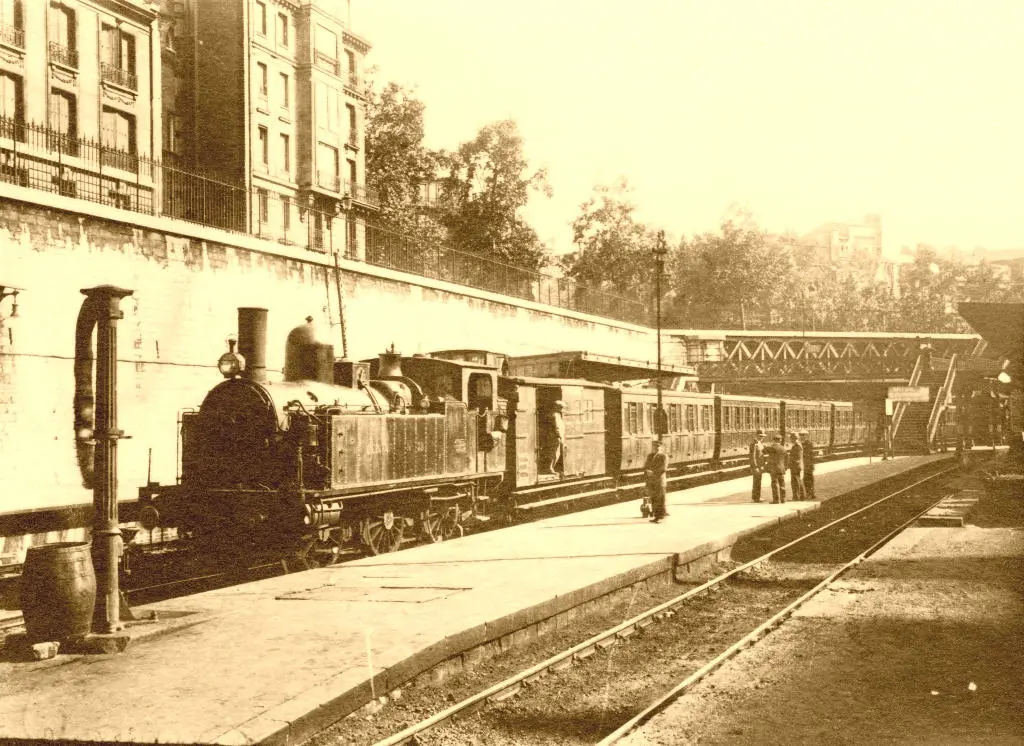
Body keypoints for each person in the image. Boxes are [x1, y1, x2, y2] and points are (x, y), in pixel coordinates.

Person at [644, 439, 668, 523]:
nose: (657, 448)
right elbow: (646, 465)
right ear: (652, 447)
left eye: (658, 446)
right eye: (655, 446)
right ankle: (656, 516)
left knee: (660, 499)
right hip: (651, 480)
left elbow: (663, 468)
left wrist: (653, 472)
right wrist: (647, 471)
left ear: (661, 447)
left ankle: (659, 516)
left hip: (660, 481)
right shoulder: (650, 456)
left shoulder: (663, 456)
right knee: (653, 498)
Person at [542, 400, 566, 475]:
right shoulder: (555, 415)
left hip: (554, 436)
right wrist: (560, 436)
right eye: (561, 407)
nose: (562, 409)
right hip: (555, 437)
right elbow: (557, 427)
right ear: (556, 407)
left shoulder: (556, 414)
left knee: (554, 453)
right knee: (554, 453)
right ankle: (550, 468)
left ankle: (550, 468)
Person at [764, 433, 788, 504]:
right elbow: (787, 459)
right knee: (782, 484)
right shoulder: (783, 448)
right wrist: (785, 468)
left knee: (775, 484)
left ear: (774, 440)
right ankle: (783, 499)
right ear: (780, 441)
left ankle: (776, 500)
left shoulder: (771, 448)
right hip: (781, 469)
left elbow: (763, 450)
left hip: (774, 469)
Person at [788, 432, 806, 500]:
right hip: (797, 466)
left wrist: (790, 462)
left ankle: (796, 497)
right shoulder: (797, 445)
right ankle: (802, 496)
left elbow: (797, 458)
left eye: (791, 439)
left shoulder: (797, 446)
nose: (790, 440)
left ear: (794, 439)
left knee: (795, 481)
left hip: (796, 466)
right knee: (798, 480)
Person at [749, 428, 766, 502]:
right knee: (756, 481)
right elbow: (752, 456)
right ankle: (756, 498)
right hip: (757, 466)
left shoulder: (760, 443)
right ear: (757, 435)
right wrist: (755, 466)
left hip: (760, 465)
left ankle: (757, 496)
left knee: (758, 481)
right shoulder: (754, 444)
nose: (761, 438)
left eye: (762, 436)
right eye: (760, 436)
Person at [799, 430, 817, 499]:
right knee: (806, 479)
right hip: (804, 464)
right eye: (801, 435)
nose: (802, 437)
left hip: (808, 464)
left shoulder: (809, 443)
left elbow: (811, 455)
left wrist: (812, 465)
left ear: (806, 436)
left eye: (803, 435)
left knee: (809, 479)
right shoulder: (801, 443)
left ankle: (811, 493)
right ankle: (809, 493)